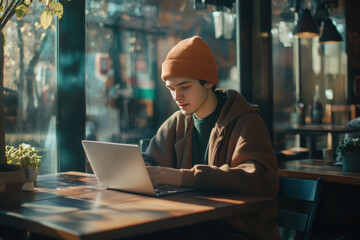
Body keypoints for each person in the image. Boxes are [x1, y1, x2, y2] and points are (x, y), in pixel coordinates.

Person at [142, 36, 280, 240]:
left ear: (208, 82)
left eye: (185, 87)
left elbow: (261, 178)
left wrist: (184, 177)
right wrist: (140, 169)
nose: (177, 97)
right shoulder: (177, 122)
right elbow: (151, 159)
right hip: (192, 225)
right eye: (171, 89)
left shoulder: (246, 121)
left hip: (236, 231)